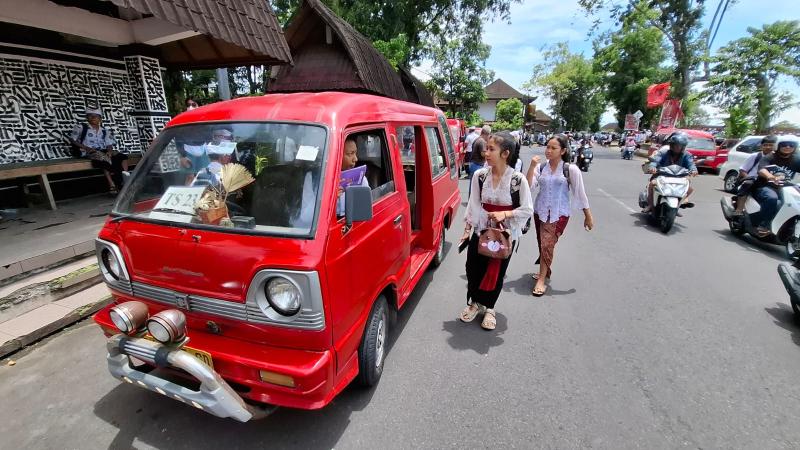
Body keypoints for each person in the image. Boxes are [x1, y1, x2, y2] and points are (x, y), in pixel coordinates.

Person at [459, 131, 533, 330]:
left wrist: (506, 214)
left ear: (505, 153)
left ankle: (490, 308)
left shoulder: (518, 180)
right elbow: (473, 204)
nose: (486, 153)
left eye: (491, 149)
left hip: (504, 236)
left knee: (496, 273)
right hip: (481, 231)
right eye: (486, 148)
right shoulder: (480, 176)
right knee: (473, 268)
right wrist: (467, 229)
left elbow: (527, 209)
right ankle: (474, 302)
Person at [526, 134, 593, 297]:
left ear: (562, 151)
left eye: (553, 148)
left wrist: (588, 216)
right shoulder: (541, 167)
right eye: (547, 147)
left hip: (559, 213)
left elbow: (580, 193)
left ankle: (541, 279)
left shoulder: (570, 169)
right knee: (542, 243)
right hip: (540, 211)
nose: (548, 150)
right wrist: (532, 166)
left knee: (547, 244)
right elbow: (528, 186)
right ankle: (545, 270)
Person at [69, 107, 128, 194]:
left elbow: (109, 143)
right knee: (104, 159)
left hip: (102, 150)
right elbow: (72, 140)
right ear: (87, 117)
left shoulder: (104, 130)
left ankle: (125, 179)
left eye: (96, 116)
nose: (93, 118)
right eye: (90, 115)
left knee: (122, 157)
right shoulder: (80, 127)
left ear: (100, 118)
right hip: (87, 151)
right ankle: (112, 184)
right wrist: (86, 147)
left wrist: (109, 151)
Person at [752, 139, 800, 236]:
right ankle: (764, 225)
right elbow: (762, 170)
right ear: (778, 146)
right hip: (765, 185)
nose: (788, 147)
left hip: (785, 188)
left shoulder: (796, 159)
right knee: (772, 198)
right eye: (784, 144)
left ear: (795, 147)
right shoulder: (771, 156)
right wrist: (771, 176)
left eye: (791, 145)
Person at [643, 132, 698, 213]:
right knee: (652, 184)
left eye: (679, 146)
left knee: (689, 188)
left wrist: (694, 170)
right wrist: (653, 167)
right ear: (671, 145)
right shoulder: (663, 153)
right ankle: (650, 205)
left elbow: (691, 164)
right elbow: (655, 161)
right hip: (662, 175)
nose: (677, 148)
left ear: (683, 147)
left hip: (679, 177)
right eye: (675, 145)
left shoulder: (687, 155)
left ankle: (677, 206)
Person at [733, 135, 776, 215]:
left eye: (770, 145)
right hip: (753, 179)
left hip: (768, 182)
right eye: (765, 145)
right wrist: (748, 178)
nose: (768, 147)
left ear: (775, 146)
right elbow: (743, 170)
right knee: (748, 184)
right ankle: (739, 210)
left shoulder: (777, 158)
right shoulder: (756, 156)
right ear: (761, 146)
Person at [336, 138, 370, 217]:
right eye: (350, 154)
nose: (355, 159)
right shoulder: (317, 179)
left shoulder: (361, 179)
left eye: (355, 153)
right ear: (336, 155)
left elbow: (364, 209)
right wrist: (330, 199)